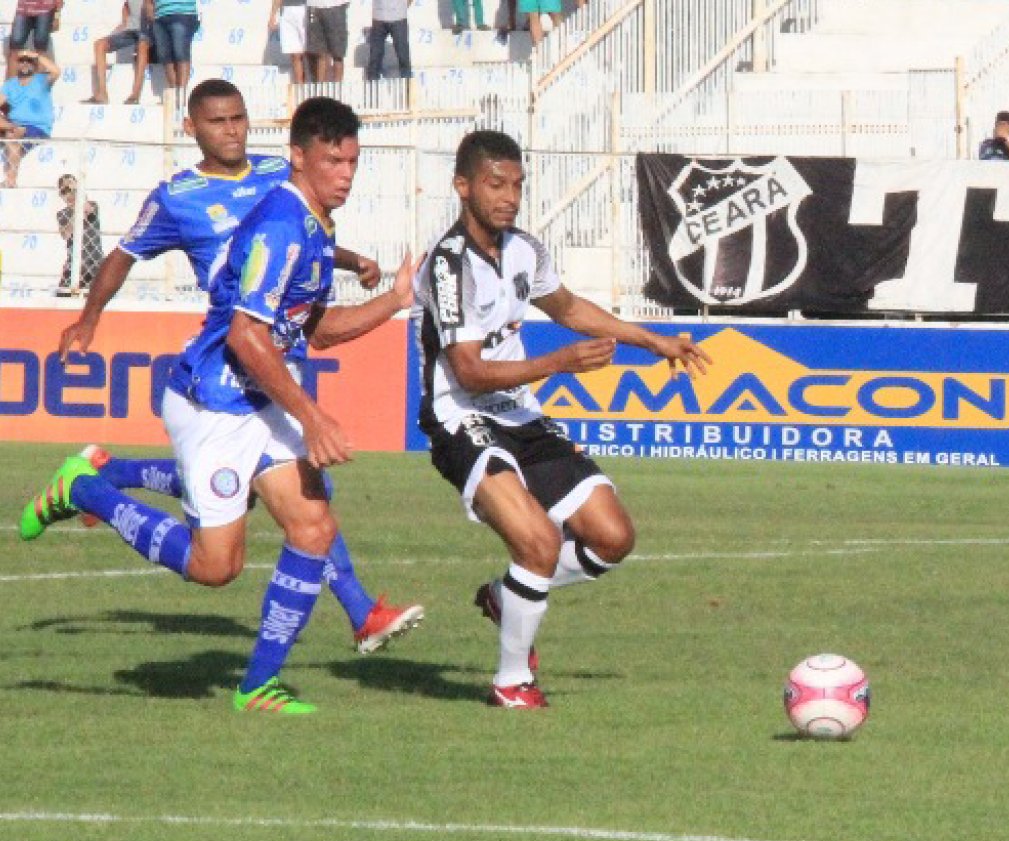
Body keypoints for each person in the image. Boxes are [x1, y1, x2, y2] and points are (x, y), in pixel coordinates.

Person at [20, 97, 421, 714]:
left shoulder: (315, 224)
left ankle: (258, 685)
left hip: (257, 396)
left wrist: (393, 301)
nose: (345, 174)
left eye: (352, 162)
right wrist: (312, 417)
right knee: (216, 567)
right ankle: (88, 490)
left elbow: (313, 328)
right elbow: (244, 336)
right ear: (299, 158)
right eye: (333, 161)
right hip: (214, 402)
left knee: (313, 527)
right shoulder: (281, 225)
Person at [414, 130, 711, 709]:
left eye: (517, 185)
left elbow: (569, 308)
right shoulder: (448, 266)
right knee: (539, 542)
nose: (509, 197)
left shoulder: (524, 249)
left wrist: (652, 341)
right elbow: (468, 372)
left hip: (519, 414)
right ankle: (511, 683)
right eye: (495, 184)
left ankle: (507, 596)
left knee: (612, 538)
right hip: (461, 417)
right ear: (463, 186)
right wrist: (559, 363)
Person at [0, 50, 59, 189]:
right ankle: (12, 128)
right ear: (17, 64)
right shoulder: (10, 85)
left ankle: (10, 180)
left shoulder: (41, 80)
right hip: (14, 125)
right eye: (22, 60)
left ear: (34, 64)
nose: (25, 63)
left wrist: (37, 56)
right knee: (13, 131)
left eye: (29, 61)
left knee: (13, 138)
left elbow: (56, 71)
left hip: (36, 128)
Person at [83, 0, 150, 104]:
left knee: (142, 45)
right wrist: (124, 22)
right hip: (131, 30)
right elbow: (127, 5)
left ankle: (135, 94)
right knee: (99, 44)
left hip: (149, 29)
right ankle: (102, 93)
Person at [56, 174, 102, 297]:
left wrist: (78, 193)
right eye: (64, 191)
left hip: (93, 261)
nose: (68, 195)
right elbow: (66, 234)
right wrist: (76, 211)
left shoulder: (92, 204)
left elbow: (88, 210)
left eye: (71, 190)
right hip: (73, 262)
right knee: (61, 296)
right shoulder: (62, 214)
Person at [145, 0, 199, 92]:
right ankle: (174, 92)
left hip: (182, 13)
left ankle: (181, 94)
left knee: (181, 53)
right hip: (159, 16)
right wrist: (149, 8)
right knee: (165, 56)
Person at [7, 0, 60, 80]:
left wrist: (57, 15)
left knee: (41, 49)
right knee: (14, 47)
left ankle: (38, 86)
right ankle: (10, 86)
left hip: (46, 8)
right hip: (23, 8)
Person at [366, 0, 412, 81]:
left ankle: (407, 84)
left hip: (399, 18)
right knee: (375, 56)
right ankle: (372, 85)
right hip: (378, 18)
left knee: (403, 55)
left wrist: (403, 7)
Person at [306, 0, 349, 82]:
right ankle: (321, 87)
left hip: (335, 6)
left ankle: (337, 87)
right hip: (313, 7)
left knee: (337, 54)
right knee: (319, 53)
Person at [269, 0, 310, 84]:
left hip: (304, 9)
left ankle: (311, 84)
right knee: (295, 53)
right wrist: (273, 15)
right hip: (286, 11)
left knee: (308, 52)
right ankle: (300, 85)